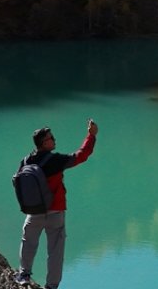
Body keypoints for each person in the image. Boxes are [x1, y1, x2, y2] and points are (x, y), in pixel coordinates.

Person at [15, 119, 98, 289]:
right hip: (56, 212)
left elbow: (18, 183)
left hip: (34, 212)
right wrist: (91, 136)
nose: (54, 140)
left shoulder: (25, 162)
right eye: (51, 138)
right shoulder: (55, 160)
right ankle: (51, 286)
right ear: (43, 143)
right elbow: (81, 155)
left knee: (28, 242)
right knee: (55, 251)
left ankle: (24, 275)